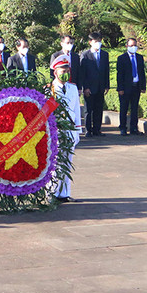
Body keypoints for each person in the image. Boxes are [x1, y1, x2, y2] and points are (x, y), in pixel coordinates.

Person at [50, 54, 82, 202]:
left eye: (67, 71)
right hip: (56, 131)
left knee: (67, 162)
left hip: (70, 130)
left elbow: (76, 110)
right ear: (55, 72)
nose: (66, 74)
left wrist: (77, 131)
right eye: (63, 71)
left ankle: (64, 193)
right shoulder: (49, 90)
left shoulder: (73, 88)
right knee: (55, 163)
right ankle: (52, 193)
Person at [79, 32, 109, 137]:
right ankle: (88, 130)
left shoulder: (104, 54)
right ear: (90, 42)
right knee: (88, 110)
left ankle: (97, 129)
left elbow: (106, 71)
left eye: (99, 41)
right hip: (89, 87)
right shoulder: (85, 55)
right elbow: (82, 73)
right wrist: (85, 87)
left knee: (98, 109)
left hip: (100, 86)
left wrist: (106, 85)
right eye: (96, 41)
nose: (98, 43)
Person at [116, 38, 146, 136]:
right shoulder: (122, 58)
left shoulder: (139, 57)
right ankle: (123, 128)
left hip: (136, 86)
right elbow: (119, 74)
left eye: (135, 45)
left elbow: (142, 72)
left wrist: (143, 86)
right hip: (125, 87)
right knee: (124, 108)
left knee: (134, 108)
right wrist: (120, 88)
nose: (133, 47)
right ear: (127, 46)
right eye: (131, 45)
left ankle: (134, 128)